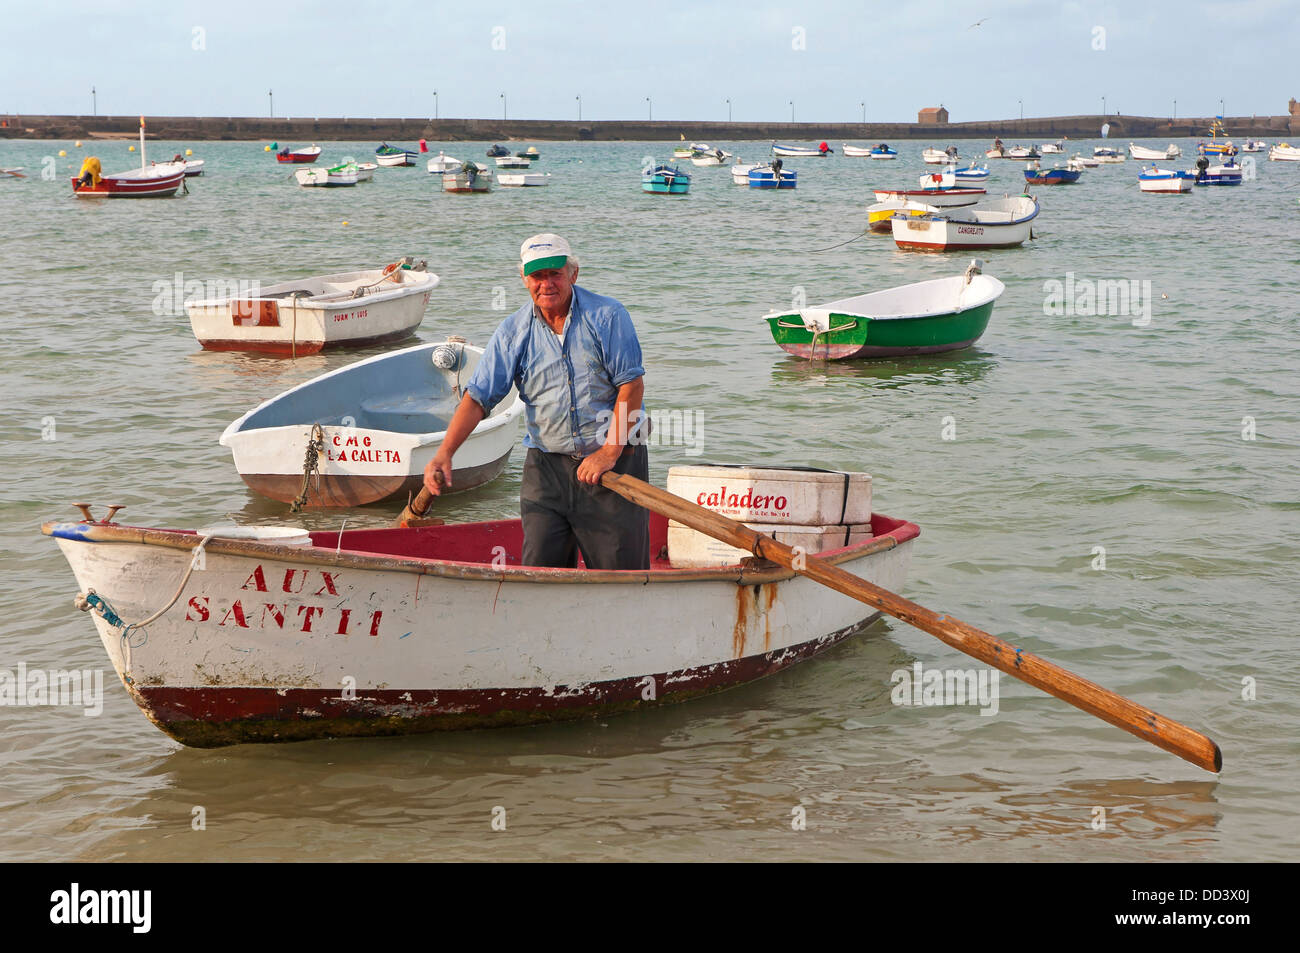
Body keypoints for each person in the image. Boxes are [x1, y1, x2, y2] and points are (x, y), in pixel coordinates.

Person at [422, 233, 649, 570]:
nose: (547, 284)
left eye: (554, 274)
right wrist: (444, 454)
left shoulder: (608, 316)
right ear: (524, 279)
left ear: (573, 273)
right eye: (537, 276)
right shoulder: (513, 332)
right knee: (541, 570)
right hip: (547, 470)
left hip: (614, 463)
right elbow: (477, 399)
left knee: (620, 575)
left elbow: (631, 386)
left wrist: (607, 453)